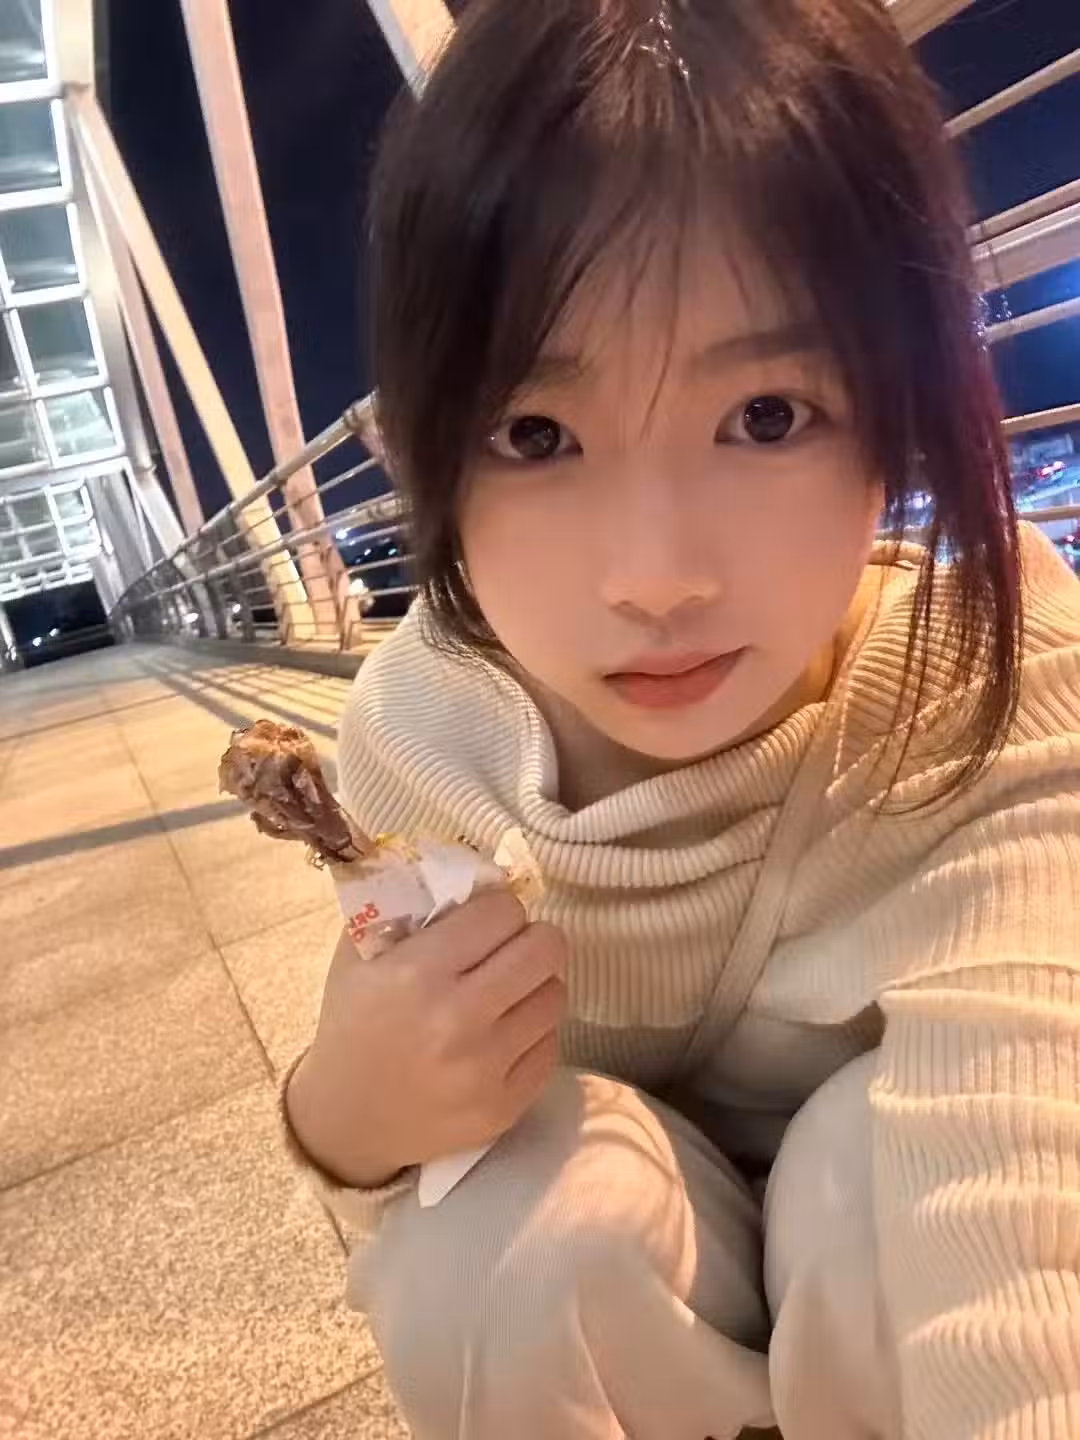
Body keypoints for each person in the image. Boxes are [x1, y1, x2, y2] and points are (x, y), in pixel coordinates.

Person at [282, 1, 1080, 1436]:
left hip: (886, 1278)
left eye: (767, 415)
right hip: (640, 1294)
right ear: (421, 454)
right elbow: (425, 1157)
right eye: (535, 435)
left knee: (870, 1168)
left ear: (894, 403)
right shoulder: (423, 737)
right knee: (487, 1255)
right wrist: (339, 1116)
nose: (656, 577)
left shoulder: (985, 668)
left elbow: (1021, 1186)